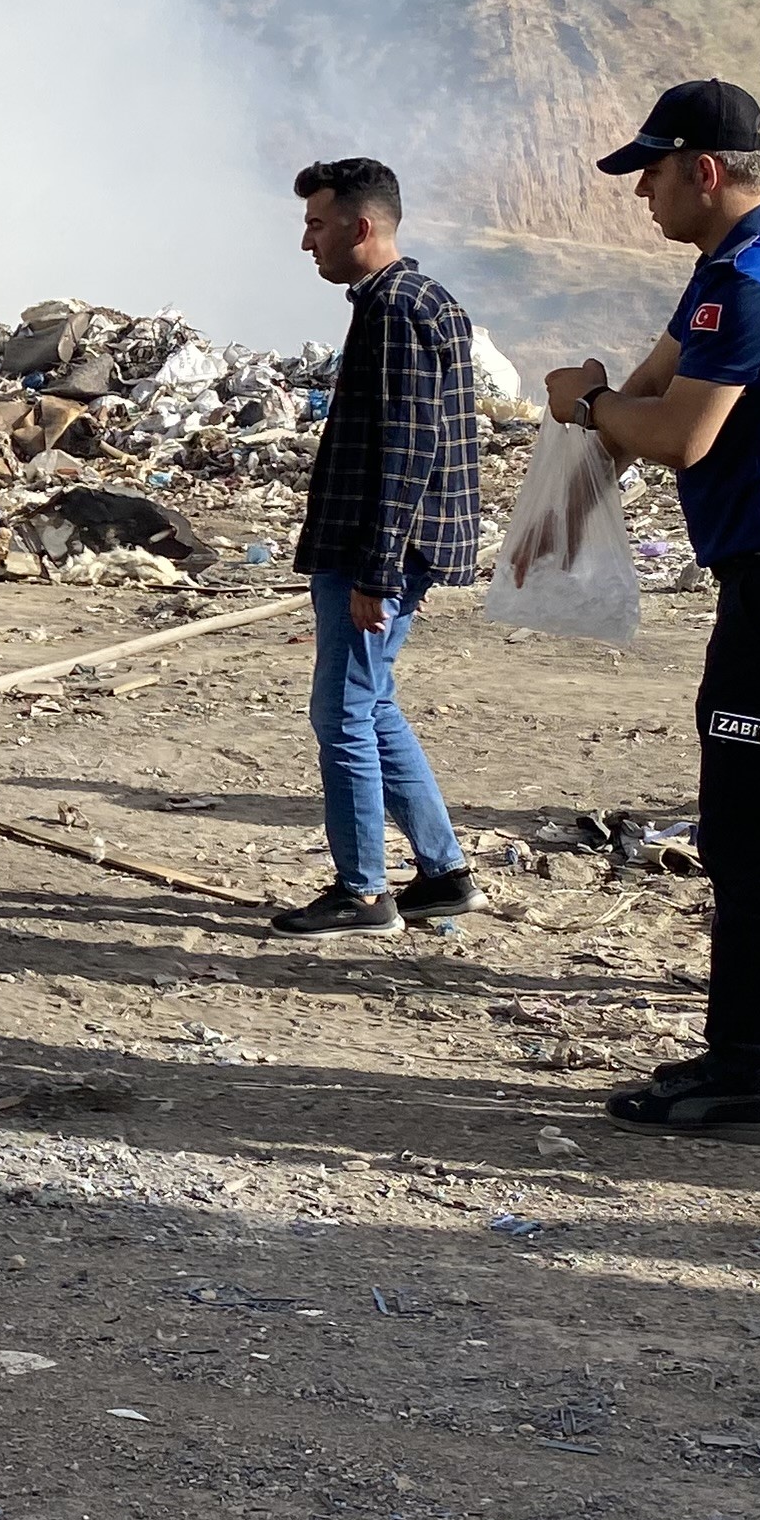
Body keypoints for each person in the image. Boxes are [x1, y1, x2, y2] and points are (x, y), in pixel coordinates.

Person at [543, 80, 760, 1142]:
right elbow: (650, 390)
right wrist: (603, 408)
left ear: (704, 170)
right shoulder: (737, 270)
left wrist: (592, 405)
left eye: (651, 170)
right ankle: (743, 1053)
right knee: (744, 833)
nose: (639, 191)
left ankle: (755, 1076)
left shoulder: (749, 280)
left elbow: (680, 431)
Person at [278, 156, 485, 937]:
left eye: (317, 225)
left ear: (362, 227)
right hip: (391, 546)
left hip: (381, 550)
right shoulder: (409, 298)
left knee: (341, 714)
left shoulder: (397, 309)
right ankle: (444, 872)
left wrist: (377, 571)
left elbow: (407, 451)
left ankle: (363, 891)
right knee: (373, 705)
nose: (308, 243)